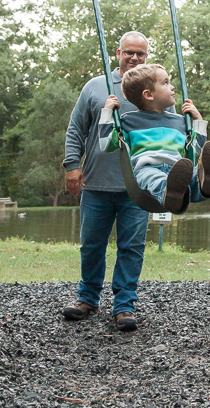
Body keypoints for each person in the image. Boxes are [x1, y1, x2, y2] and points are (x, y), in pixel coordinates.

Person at [62, 31, 155, 331]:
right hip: (96, 183)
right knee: (91, 245)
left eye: (140, 54)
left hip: (137, 186)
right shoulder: (95, 87)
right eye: (129, 52)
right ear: (118, 53)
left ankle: (124, 304)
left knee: (132, 246)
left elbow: (165, 131)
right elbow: (76, 128)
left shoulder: (152, 89)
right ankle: (87, 298)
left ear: (146, 56)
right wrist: (71, 166)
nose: (135, 58)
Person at [99, 63, 210, 213]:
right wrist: (106, 112)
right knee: (153, 178)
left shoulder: (180, 121)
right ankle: (169, 193)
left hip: (178, 169)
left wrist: (198, 120)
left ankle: (204, 181)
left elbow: (197, 148)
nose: (172, 87)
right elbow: (105, 144)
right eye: (165, 83)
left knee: (192, 174)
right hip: (147, 169)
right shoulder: (129, 121)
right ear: (148, 95)